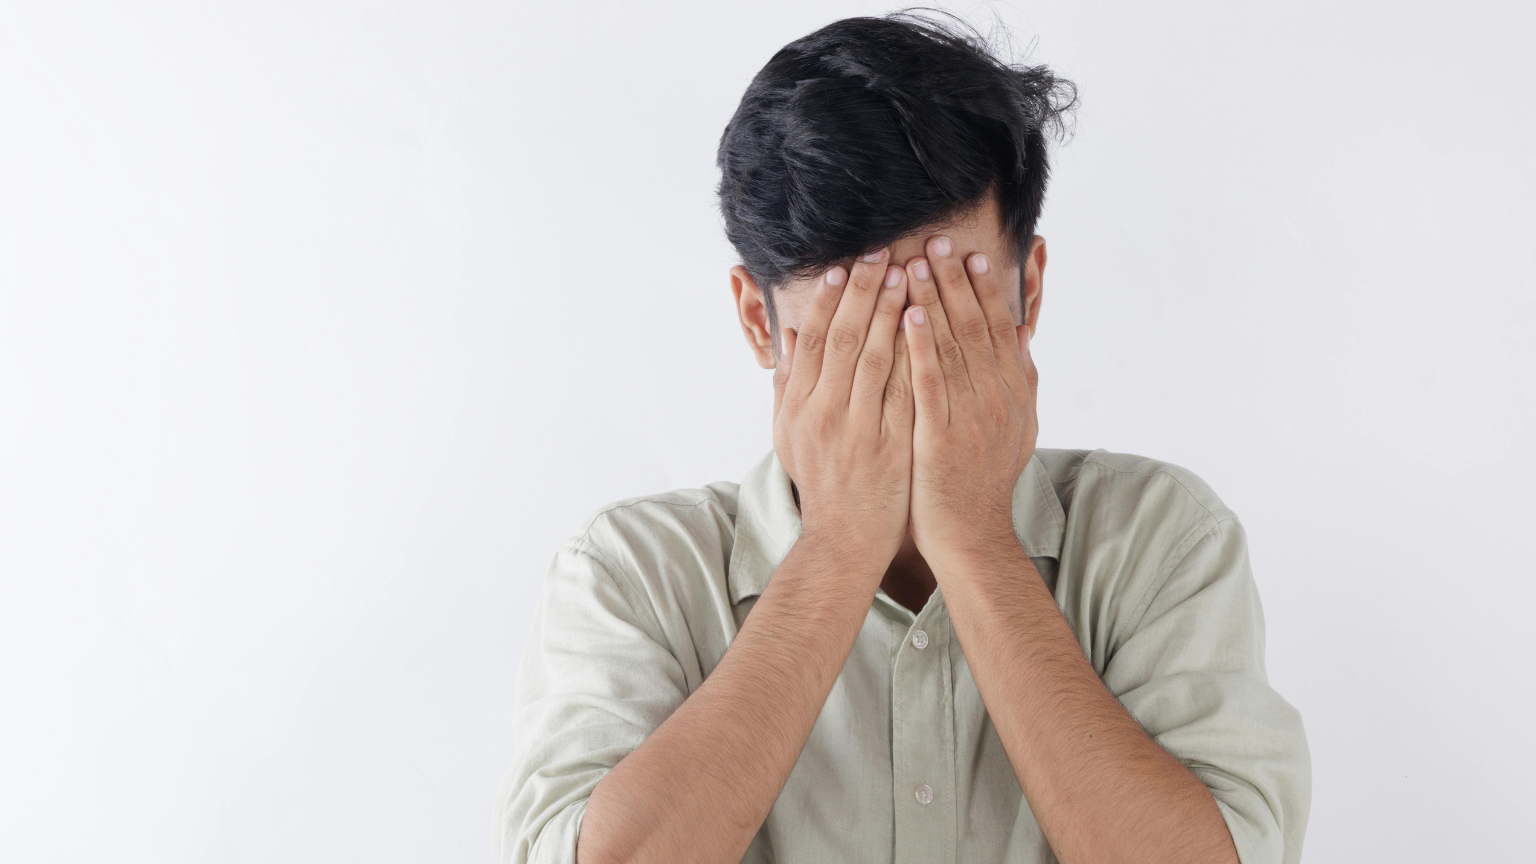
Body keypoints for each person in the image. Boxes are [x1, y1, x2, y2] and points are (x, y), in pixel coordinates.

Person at [497, 12, 1310, 864]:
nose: (905, 376)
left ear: (1026, 294)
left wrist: (978, 540)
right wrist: (839, 544)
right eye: (851, 340)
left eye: (944, 324)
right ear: (758, 321)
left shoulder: (1159, 540)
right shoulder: (630, 575)